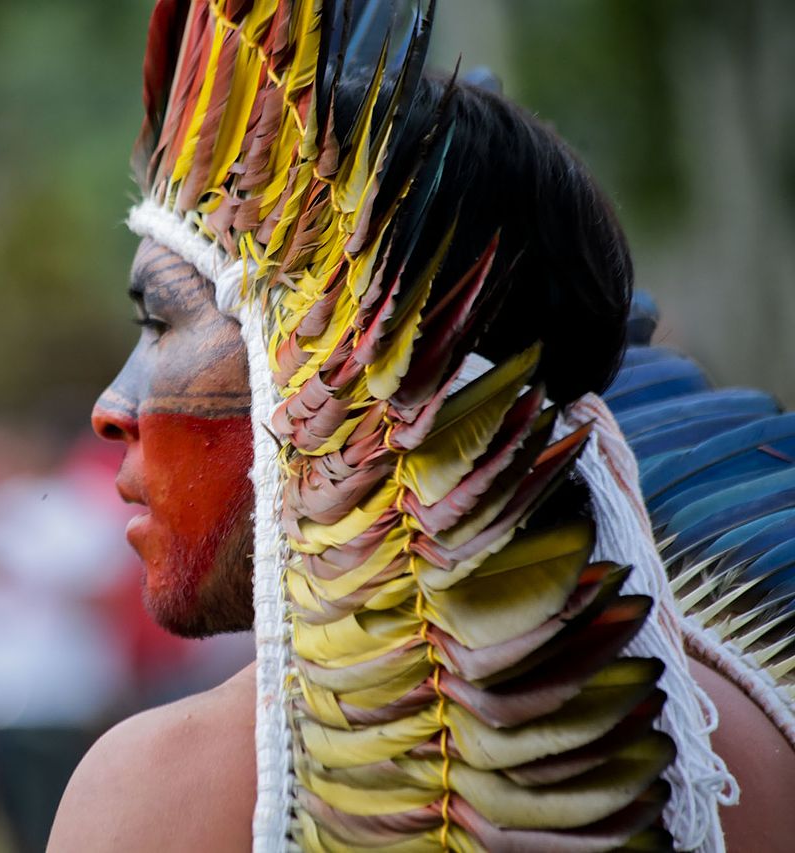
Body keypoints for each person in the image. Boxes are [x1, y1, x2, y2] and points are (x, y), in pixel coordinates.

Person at [51, 1, 795, 850]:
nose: (112, 409)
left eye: (161, 323)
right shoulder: (764, 745)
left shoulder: (156, 789)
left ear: (332, 362)